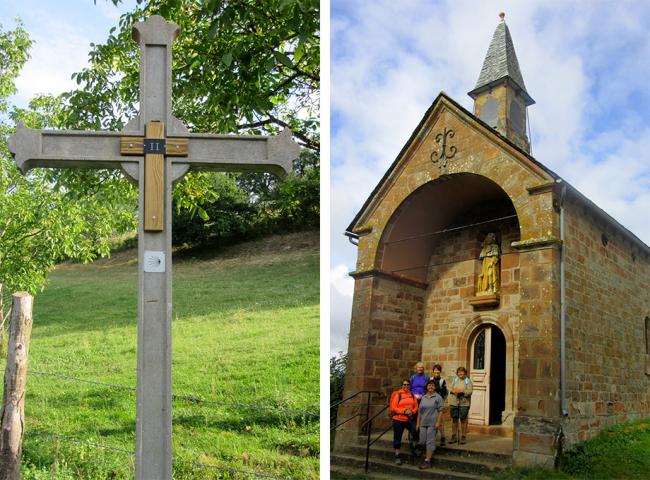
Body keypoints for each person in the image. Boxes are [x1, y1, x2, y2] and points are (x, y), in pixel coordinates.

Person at [389, 379, 418, 465]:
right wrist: (404, 411)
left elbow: (416, 406)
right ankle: (397, 456)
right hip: (398, 419)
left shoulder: (412, 395)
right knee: (397, 437)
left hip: (409, 419)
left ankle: (414, 447)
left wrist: (412, 412)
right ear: (402, 385)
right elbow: (393, 407)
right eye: (404, 384)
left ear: (410, 385)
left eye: (408, 384)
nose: (406, 386)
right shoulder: (398, 394)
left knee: (416, 430)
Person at [415, 380, 444, 469]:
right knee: (422, 440)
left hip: (433, 423)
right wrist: (418, 423)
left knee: (430, 441)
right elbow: (420, 412)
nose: (430, 387)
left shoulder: (438, 397)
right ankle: (428, 452)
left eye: (432, 385)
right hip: (423, 423)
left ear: (435, 387)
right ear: (426, 387)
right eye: (429, 385)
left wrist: (438, 422)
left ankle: (427, 460)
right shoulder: (423, 397)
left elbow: (440, 411)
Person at [448, 366, 473, 444]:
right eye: (459, 372)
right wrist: (453, 391)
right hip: (454, 402)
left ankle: (463, 436)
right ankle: (453, 436)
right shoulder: (455, 379)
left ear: (465, 373)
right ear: (457, 373)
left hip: (464, 403)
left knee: (463, 419)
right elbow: (449, 388)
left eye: (462, 372)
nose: (461, 374)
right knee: (454, 419)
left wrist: (462, 392)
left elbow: (470, 391)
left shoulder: (467, 381)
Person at [430, 364, 448, 445]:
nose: (436, 373)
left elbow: (444, 392)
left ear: (440, 372)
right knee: (432, 420)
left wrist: (442, 401)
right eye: (435, 372)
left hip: (439, 402)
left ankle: (443, 436)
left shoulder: (442, 381)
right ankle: (432, 437)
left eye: (438, 372)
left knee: (440, 420)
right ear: (433, 372)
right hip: (431, 402)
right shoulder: (430, 379)